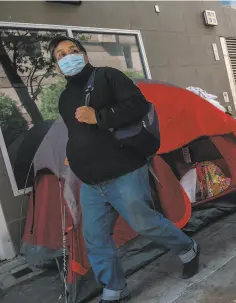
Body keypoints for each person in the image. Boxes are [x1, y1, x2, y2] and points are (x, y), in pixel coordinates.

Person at [49, 36, 200, 303]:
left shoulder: (107, 77)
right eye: (61, 55)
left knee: (145, 223)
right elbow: (77, 133)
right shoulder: (64, 98)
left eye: (73, 50)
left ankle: (188, 250)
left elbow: (139, 105)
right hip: (91, 182)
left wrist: (100, 117)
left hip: (125, 171)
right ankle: (115, 289)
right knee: (94, 237)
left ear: (84, 56)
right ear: (57, 66)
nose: (68, 56)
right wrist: (73, 156)